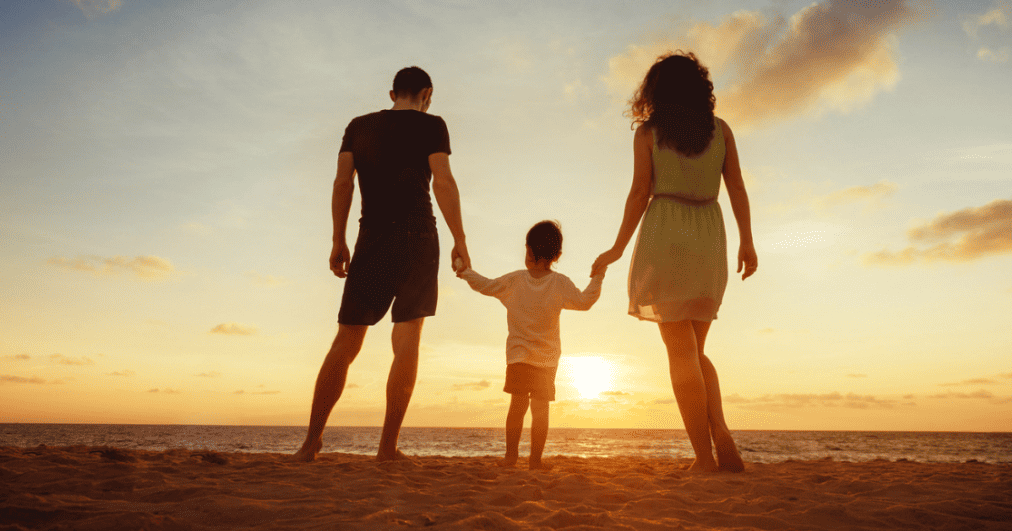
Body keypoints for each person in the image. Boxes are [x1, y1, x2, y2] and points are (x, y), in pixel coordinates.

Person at [292, 66, 470, 462]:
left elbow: (343, 183)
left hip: (371, 235)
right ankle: (387, 447)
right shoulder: (432, 125)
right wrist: (460, 239)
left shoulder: (358, 126)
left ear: (392, 92)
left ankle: (310, 443)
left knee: (346, 341)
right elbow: (443, 179)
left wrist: (338, 239)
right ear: (426, 93)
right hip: (418, 235)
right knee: (407, 342)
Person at [592, 51, 756, 472]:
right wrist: (747, 242)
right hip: (708, 236)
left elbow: (638, 194)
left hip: (666, 234)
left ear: (657, 92)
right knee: (697, 352)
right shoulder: (721, 130)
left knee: (681, 353)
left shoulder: (649, 134)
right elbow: (736, 187)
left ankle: (704, 456)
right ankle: (720, 431)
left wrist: (615, 248)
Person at [458, 221, 604, 470]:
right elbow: (585, 301)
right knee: (540, 410)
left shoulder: (515, 281)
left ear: (527, 249)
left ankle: (510, 457)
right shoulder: (560, 283)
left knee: (517, 406)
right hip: (546, 360)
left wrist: (464, 271)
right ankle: (535, 460)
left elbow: (484, 285)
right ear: (557, 255)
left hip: (518, 356)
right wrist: (598, 276)